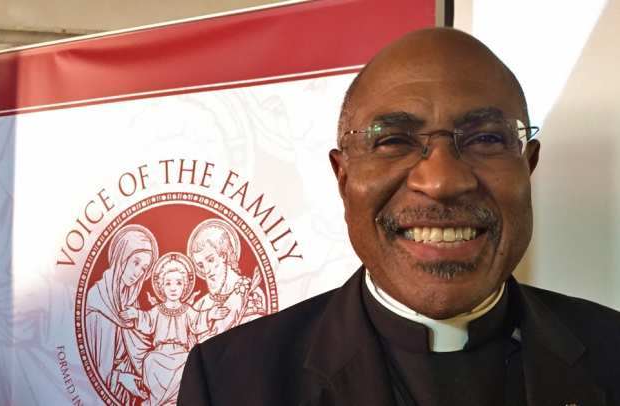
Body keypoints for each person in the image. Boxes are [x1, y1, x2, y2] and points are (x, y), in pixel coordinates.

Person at [177, 28, 620, 406]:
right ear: (343, 176)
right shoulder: (231, 381)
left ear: (528, 166)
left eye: (486, 138)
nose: (443, 181)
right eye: (393, 141)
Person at [120, 252, 229, 406]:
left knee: (188, 363)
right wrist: (135, 314)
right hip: (159, 354)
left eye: (178, 283)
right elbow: (147, 321)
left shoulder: (187, 310)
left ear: (184, 286)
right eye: (168, 283)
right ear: (161, 286)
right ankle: (158, 400)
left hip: (181, 354)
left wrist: (210, 314)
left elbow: (197, 321)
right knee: (150, 360)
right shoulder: (157, 310)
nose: (173, 288)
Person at [85, 224, 158, 404]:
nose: (138, 273)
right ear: (122, 256)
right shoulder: (98, 303)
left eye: (144, 269)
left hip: (126, 394)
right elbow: (92, 370)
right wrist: (121, 378)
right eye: (136, 262)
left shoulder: (130, 302)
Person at [187, 218, 267, 342]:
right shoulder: (200, 305)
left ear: (224, 255)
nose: (206, 271)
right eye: (201, 265)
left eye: (210, 260)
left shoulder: (253, 294)